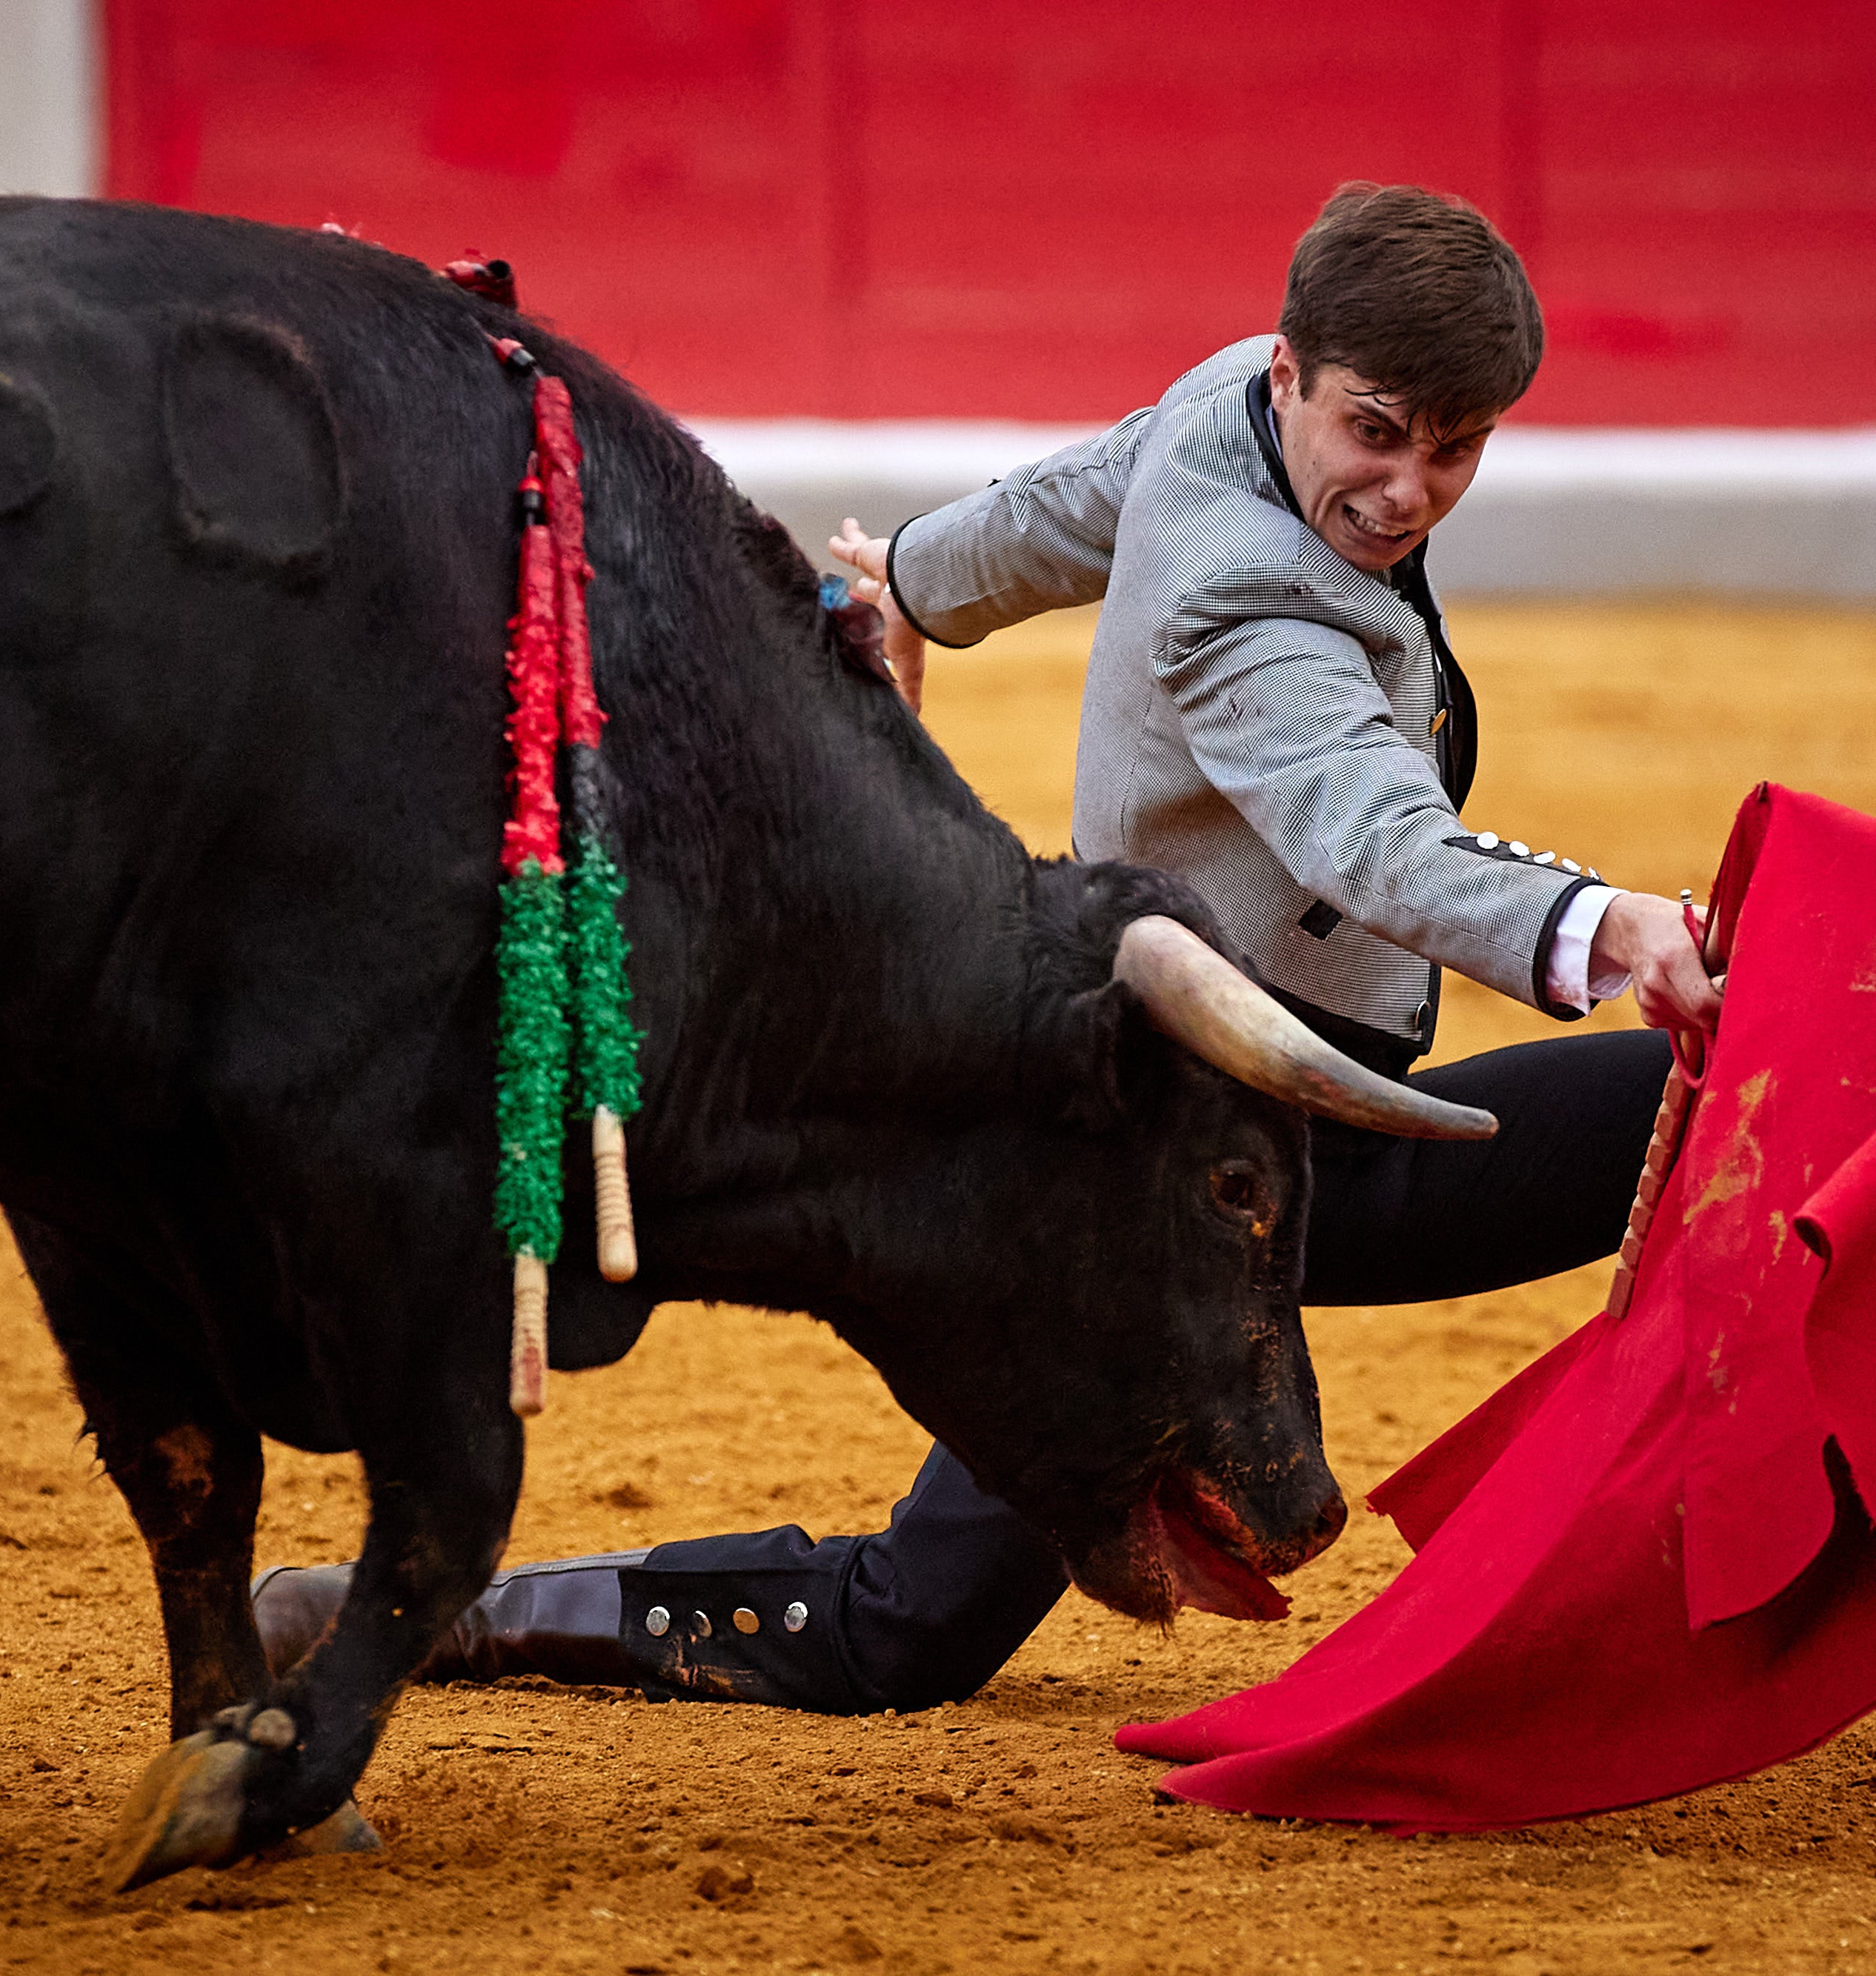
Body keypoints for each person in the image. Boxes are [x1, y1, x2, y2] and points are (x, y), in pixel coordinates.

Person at [253, 182, 1721, 1711]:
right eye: (1380, 430)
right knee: (908, 1624)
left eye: (1452, 448)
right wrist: (1608, 925)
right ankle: (454, 1610)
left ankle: (1761, 1071)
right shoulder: (1243, 600)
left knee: (1675, 1106)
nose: (1409, 487)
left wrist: (912, 579)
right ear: (1291, 373)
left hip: (1293, 1093)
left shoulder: (1238, 403)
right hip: (1170, 1143)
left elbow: (1083, 492)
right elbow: (1372, 838)